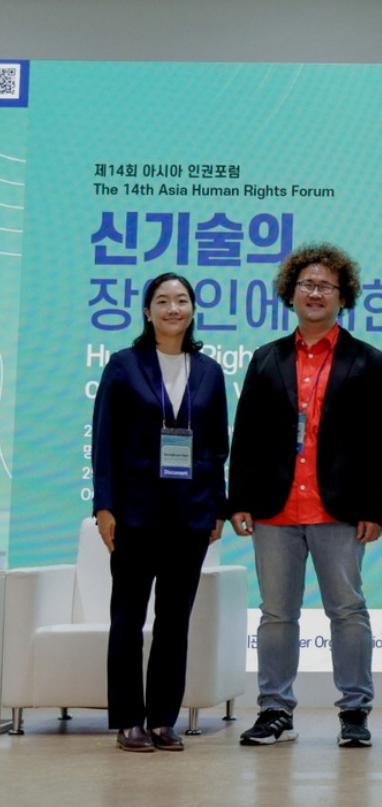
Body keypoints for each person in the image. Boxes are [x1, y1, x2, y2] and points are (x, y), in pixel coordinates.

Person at [230, 243, 382, 748]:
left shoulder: (367, 361)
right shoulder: (266, 358)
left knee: (347, 610)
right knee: (277, 614)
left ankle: (355, 712)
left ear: (343, 296)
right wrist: (238, 500)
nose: (316, 293)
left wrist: (373, 508)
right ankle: (274, 710)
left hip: (339, 507)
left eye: (326, 285)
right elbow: (246, 436)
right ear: (291, 293)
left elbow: (380, 442)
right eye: (307, 284)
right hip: (275, 506)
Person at [91, 272, 230, 752]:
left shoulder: (209, 371)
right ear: (147, 312)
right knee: (128, 618)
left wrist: (218, 508)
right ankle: (129, 719)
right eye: (163, 301)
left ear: (192, 310)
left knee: (174, 622)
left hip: (190, 516)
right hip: (134, 514)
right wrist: (104, 505)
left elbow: (216, 448)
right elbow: (104, 440)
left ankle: (162, 721)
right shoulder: (124, 365)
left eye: (182, 300)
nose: (174, 309)